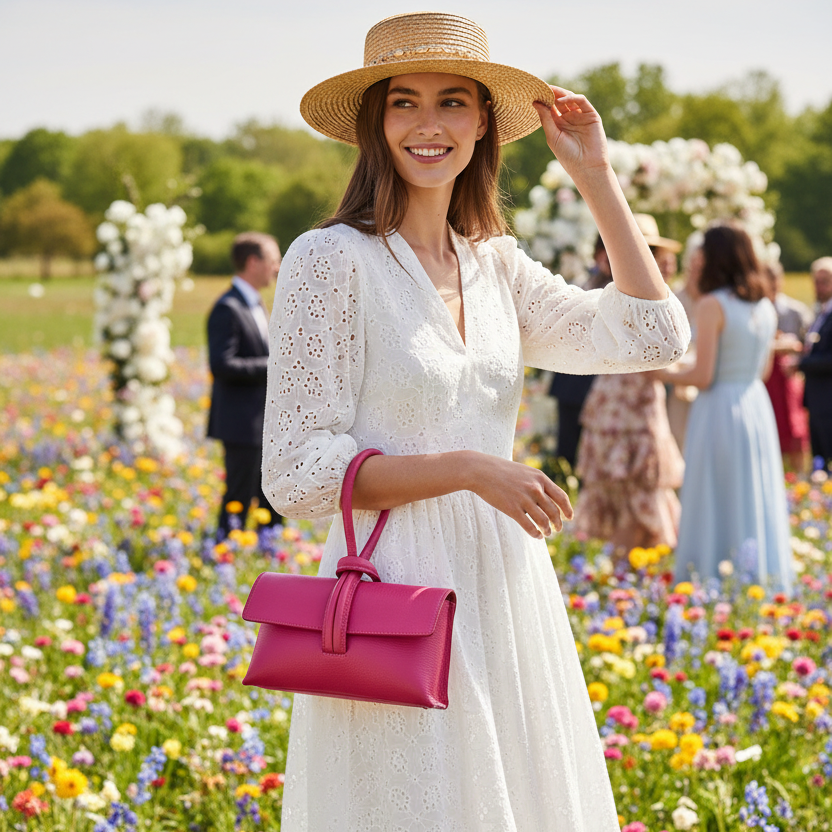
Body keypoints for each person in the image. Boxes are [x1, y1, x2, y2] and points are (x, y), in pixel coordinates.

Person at [262, 12, 690, 830]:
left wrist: (595, 176)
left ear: (484, 122)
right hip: (394, 586)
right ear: (373, 123)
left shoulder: (494, 265)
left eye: (453, 102)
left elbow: (651, 336)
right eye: (404, 103)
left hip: (504, 585)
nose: (429, 126)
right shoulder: (330, 261)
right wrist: (468, 467)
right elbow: (297, 471)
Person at [656, 224, 792, 592]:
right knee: (751, 490)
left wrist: (659, 373)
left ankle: (711, 575)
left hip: (718, 409)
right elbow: (762, 370)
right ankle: (756, 577)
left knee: (713, 490)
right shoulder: (764, 306)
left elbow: (703, 376)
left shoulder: (712, 304)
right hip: (753, 405)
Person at [573, 217, 684, 552]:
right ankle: (627, 573)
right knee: (635, 491)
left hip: (617, 403)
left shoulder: (612, 291)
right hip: (630, 406)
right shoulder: (640, 295)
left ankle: (625, 574)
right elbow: (657, 358)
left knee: (628, 491)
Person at [207, 232, 282, 538]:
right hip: (241, 423)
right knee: (238, 494)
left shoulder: (256, 304)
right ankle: (223, 548)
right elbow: (222, 364)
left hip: (264, 421)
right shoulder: (228, 307)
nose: (277, 267)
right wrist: (275, 366)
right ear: (253, 262)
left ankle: (272, 549)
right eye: (273, 259)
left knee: (271, 494)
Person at [547, 234, 611, 469]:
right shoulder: (583, 281)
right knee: (566, 449)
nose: (606, 258)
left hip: (600, 385)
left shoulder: (620, 288)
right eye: (602, 251)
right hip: (571, 383)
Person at [761, 262, 810, 470]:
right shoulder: (755, 310)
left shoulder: (795, 311)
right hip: (764, 380)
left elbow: (806, 345)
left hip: (786, 381)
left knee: (793, 432)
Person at [799, 256, 832, 468]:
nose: (819, 286)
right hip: (817, 398)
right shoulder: (819, 311)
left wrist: (801, 363)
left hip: (828, 399)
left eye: (825, 281)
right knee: (819, 462)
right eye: (816, 281)